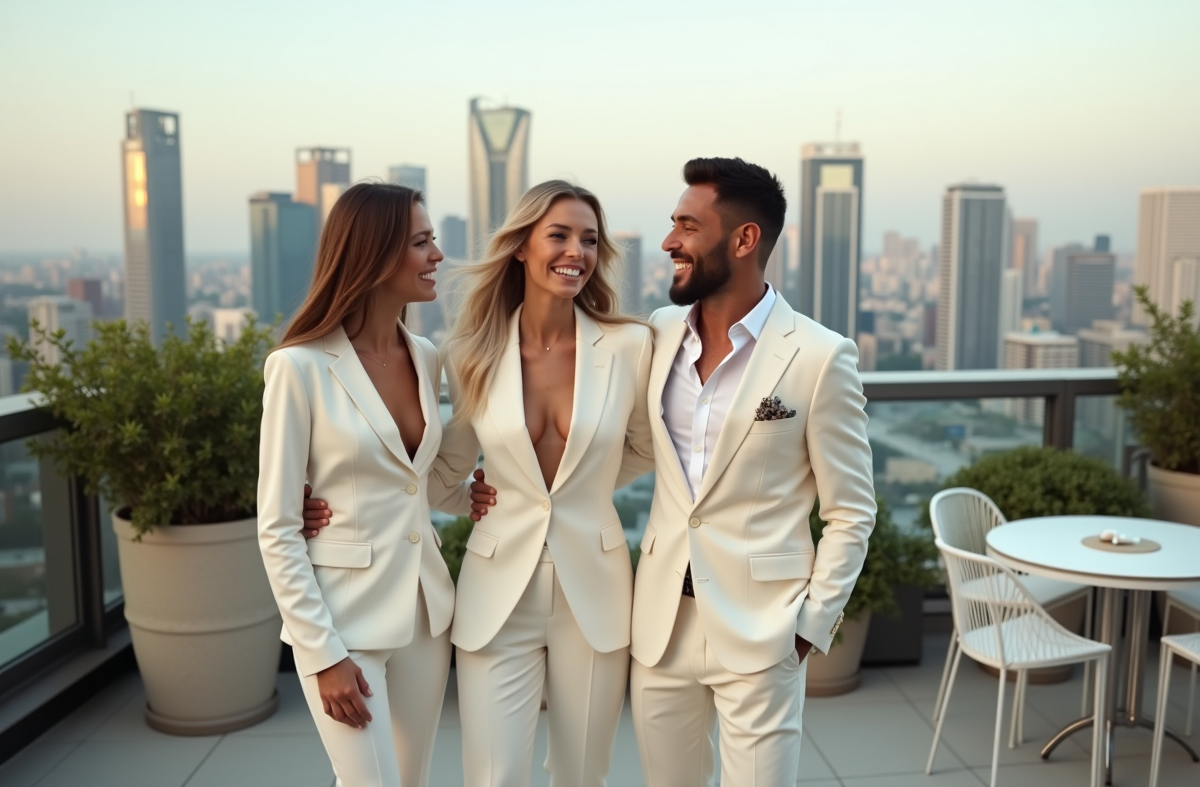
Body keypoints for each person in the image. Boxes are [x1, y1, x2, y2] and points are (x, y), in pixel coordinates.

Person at [305, 180, 655, 786]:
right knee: (493, 777)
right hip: (496, 593)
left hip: (595, 591)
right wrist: (327, 504)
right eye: (560, 235)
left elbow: (647, 447)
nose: (577, 250)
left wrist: (585, 489)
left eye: (590, 240)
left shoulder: (629, 346)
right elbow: (439, 472)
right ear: (520, 246)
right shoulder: (473, 351)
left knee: (582, 774)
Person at [630, 157, 876, 786]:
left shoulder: (821, 356)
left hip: (764, 630)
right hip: (661, 627)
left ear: (744, 240)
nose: (669, 242)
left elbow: (851, 510)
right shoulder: (657, 334)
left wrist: (811, 626)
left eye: (687, 226)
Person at [257, 183, 459, 787]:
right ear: (374, 254)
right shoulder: (298, 367)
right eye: (422, 242)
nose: (437, 256)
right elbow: (278, 527)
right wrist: (323, 655)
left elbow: (412, 479)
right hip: (343, 621)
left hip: (425, 613)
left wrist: (468, 491)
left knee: (411, 780)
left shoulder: (426, 355)